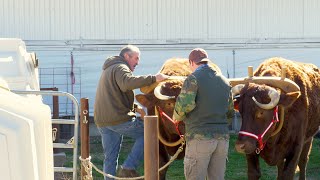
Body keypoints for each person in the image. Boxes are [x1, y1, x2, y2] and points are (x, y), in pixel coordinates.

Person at [94, 45, 168, 179]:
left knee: (110, 158)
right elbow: (127, 83)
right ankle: (129, 166)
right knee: (149, 133)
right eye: (136, 58)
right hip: (118, 119)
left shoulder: (109, 69)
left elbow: (115, 96)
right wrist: (154, 78)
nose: (138, 62)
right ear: (126, 56)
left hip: (102, 121)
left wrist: (135, 107)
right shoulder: (120, 67)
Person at [173, 48, 234, 180]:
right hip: (222, 140)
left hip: (199, 139)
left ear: (191, 62)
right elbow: (230, 113)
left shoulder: (193, 78)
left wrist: (176, 117)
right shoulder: (224, 81)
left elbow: (184, 106)